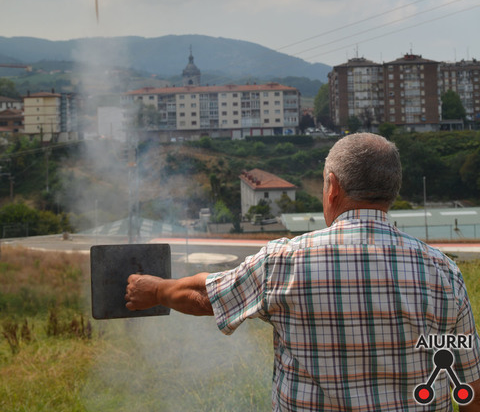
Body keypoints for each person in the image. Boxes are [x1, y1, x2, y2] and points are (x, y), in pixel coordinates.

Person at [125, 132, 480, 410]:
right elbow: (470, 388)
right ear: (390, 192)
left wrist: (155, 290)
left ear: (333, 187)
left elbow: (207, 297)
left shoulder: (285, 260)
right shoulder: (444, 273)